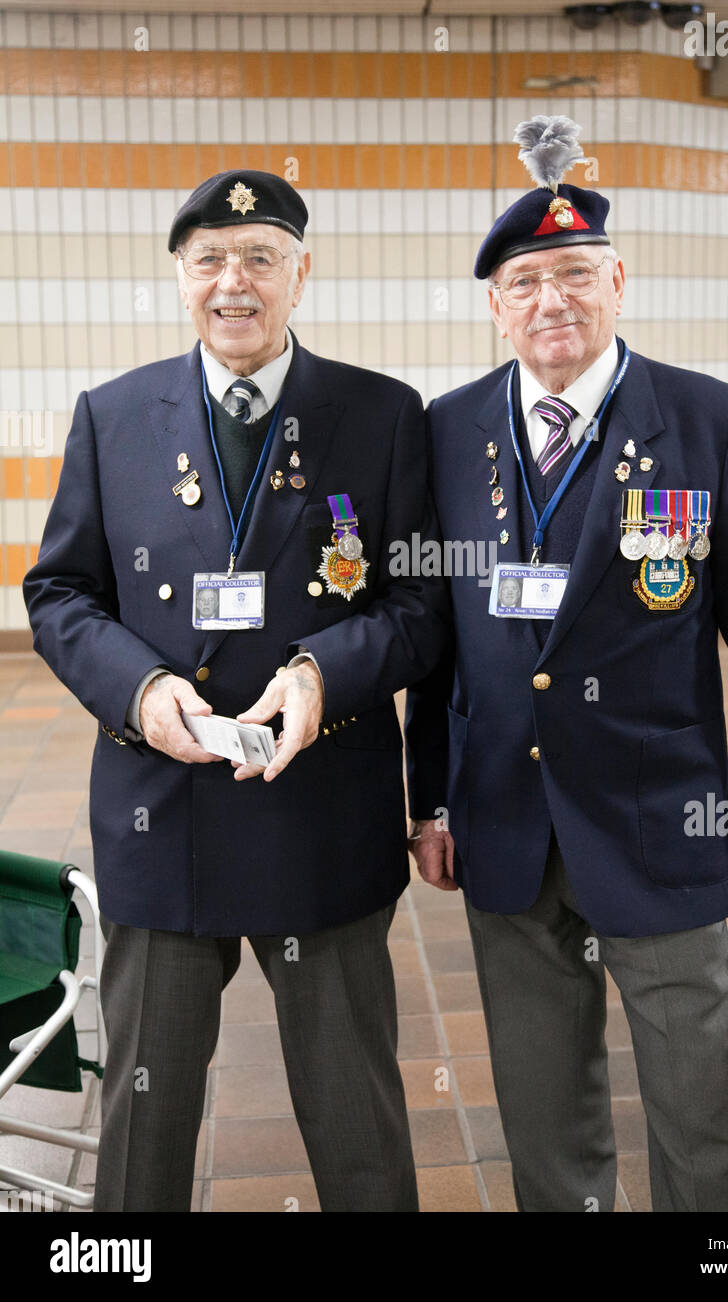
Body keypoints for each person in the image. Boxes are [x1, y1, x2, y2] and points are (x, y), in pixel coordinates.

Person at [405, 117, 728, 1212]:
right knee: (543, 1105)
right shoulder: (448, 431)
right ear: (495, 305)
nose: (552, 301)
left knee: (694, 1100)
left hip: (658, 818)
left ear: (619, 282)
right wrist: (432, 798)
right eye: (526, 282)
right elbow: (439, 640)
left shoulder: (707, 420)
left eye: (575, 276)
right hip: (503, 818)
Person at [23, 169, 447, 1212]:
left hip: (321, 808)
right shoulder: (113, 417)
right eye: (210, 257)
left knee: (356, 1112)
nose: (234, 281)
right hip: (162, 813)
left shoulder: (381, 415)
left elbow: (419, 607)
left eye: (260, 256)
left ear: (303, 273)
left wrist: (319, 674)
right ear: (179, 277)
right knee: (144, 1117)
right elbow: (61, 593)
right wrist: (143, 689)